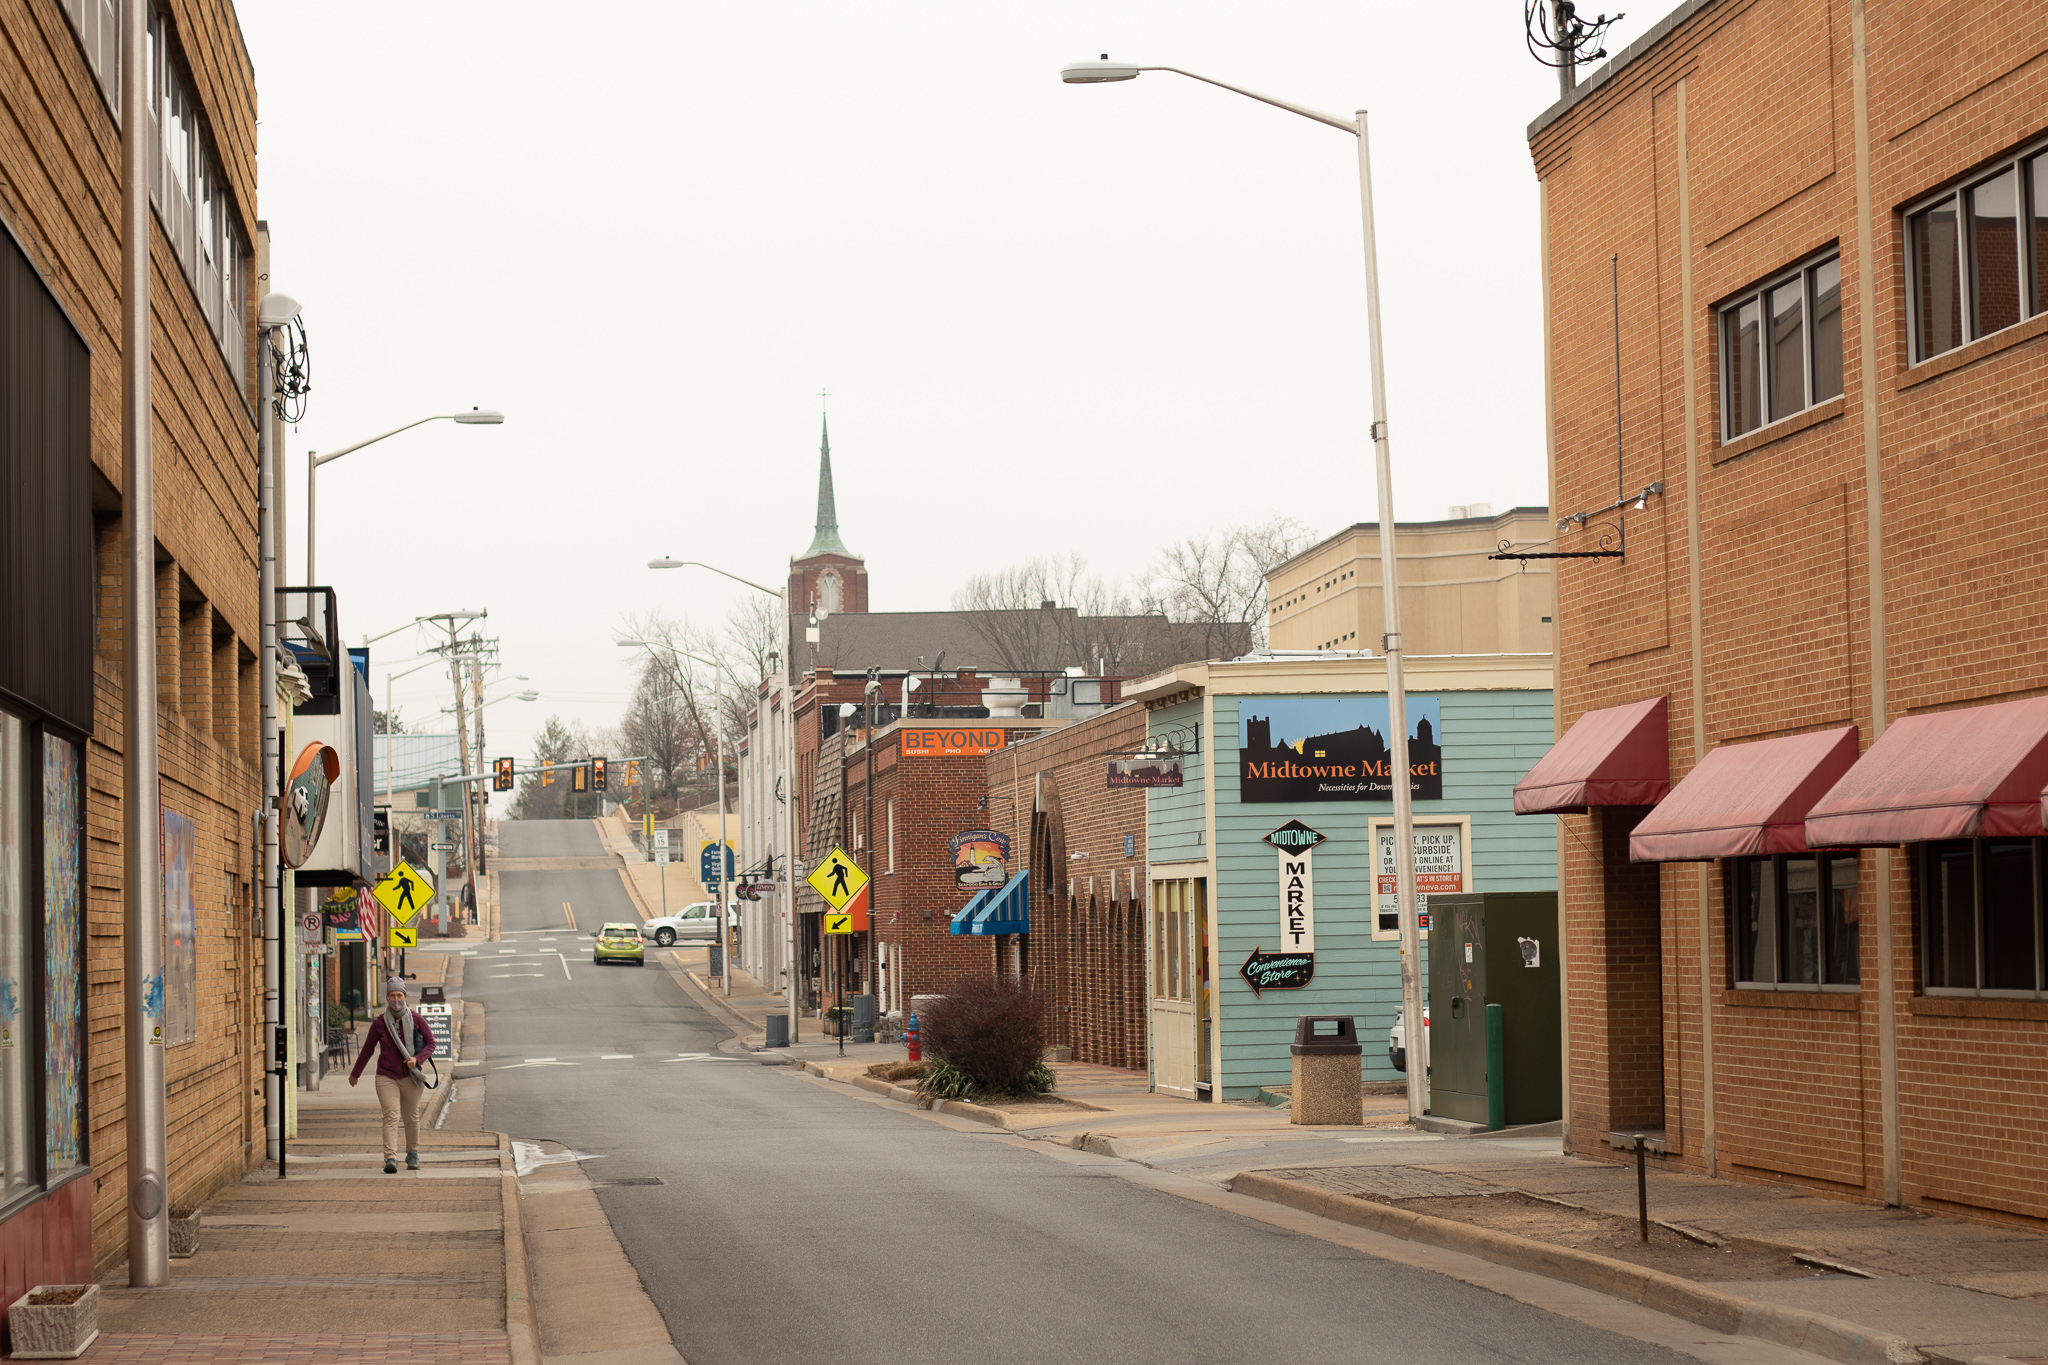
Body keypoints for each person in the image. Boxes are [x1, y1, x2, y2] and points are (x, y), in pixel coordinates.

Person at [349, 977, 436, 1173]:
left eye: (399, 995)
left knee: (411, 1117)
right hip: (386, 1076)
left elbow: (431, 1043)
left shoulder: (416, 1019)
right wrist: (356, 1073)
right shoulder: (379, 1023)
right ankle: (391, 1157)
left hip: (411, 1077)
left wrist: (418, 1059)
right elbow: (368, 1050)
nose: (396, 999)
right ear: (387, 998)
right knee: (391, 1115)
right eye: (392, 995)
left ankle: (412, 1154)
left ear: (405, 996)